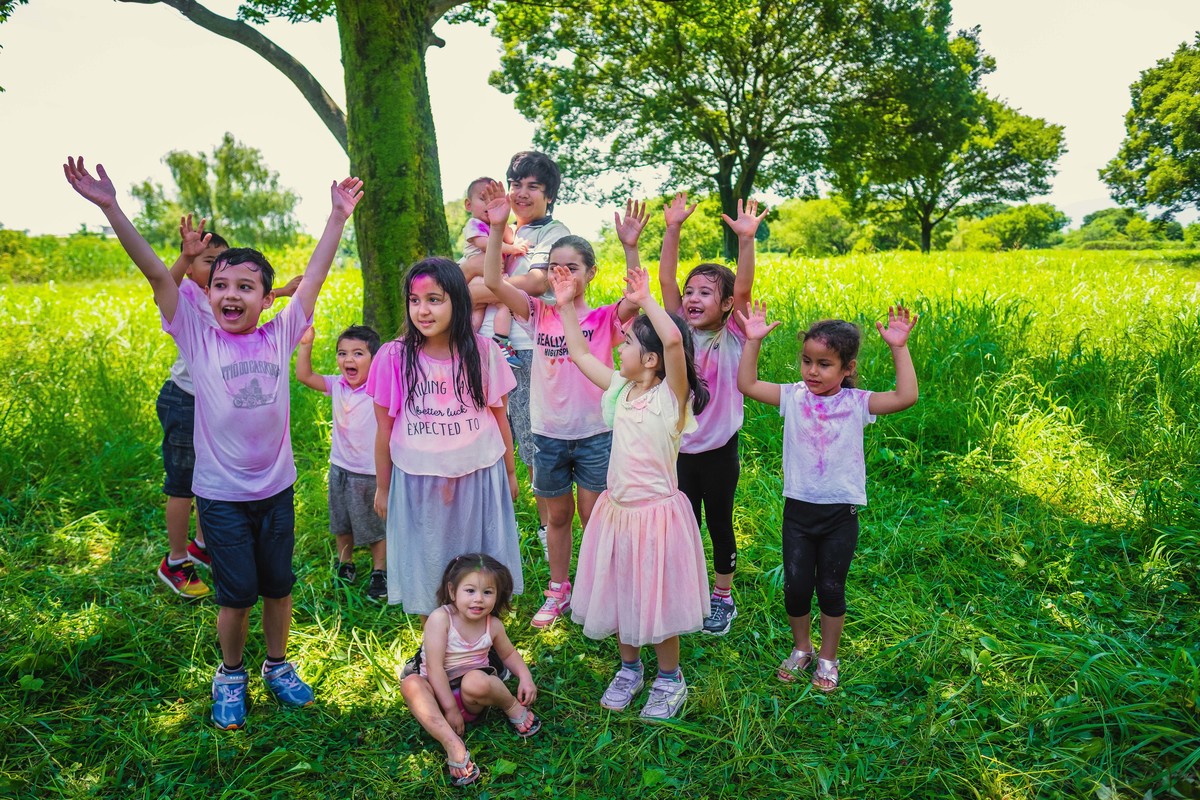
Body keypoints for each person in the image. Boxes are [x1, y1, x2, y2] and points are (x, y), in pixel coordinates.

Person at [64, 155, 363, 729]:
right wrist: (110, 207)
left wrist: (337, 218)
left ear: (267, 298)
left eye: (245, 286)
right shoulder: (197, 336)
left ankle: (277, 665)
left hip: (275, 490)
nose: (231, 293)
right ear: (208, 293)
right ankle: (231, 674)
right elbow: (158, 274)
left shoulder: (280, 335)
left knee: (278, 586)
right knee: (237, 593)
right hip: (221, 495)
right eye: (221, 284)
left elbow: (318, 273)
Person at [550, 248, 711, 721]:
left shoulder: (671, 399)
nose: (616, 349)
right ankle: (629, 668)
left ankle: (668, 678)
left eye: (625, 344)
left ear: (650, 359)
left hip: (656, 518)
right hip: (616, 512)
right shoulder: (621, 392)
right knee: (622, 589)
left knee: (657, 597)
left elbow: (677, 346)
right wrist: (563, 304)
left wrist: (648, 301)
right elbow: (579, 352)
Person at [736, 301, 920, 692]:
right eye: (807, 361)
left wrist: (899, 348)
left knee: (832, 588)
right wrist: (752, 341)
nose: (812, 371)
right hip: (798, 512)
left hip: (840, 513)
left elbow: (906, 397)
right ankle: (802, 649)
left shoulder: (857, 403)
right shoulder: (794, 396)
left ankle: (828, 657)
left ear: (847, 368)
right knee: (797, 586)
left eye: (824, 364)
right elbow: (747, 385)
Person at [481, 186, 641, 628]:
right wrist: (498, 229)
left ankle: (594, 588)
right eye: (554, 269)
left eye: (571, 268)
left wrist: (631, 248)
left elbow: (639, 295)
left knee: (592, 516)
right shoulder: (537, 312)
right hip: (548, 432)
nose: (562, 275)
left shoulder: (605, 317)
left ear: (590, 273)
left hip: (595, 433)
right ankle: (559, 590)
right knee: (556, 516)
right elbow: (494, 282)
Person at [367, 258, 523, 618]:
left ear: (458, 300)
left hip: (479, 475)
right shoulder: (393, 356)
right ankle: (434, 647)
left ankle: (481, 645)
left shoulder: (484, 352)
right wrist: (383, 487)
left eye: (434, 299)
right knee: (427, 562)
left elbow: (501, 417)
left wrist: (511, 474)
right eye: (414, 299)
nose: (423, 310)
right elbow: (384, 429)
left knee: (480, 564)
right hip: (418, 480)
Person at [156, 219, 301, 598]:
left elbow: (254, 292)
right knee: (184, 484)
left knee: (215, 480)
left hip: (221, 405)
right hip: (185, 397)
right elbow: (161, 287)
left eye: (221, 260)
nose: (218, 270)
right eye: (209, 262)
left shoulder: (229, 299)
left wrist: (282, 291)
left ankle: (204, 544)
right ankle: (175, 560)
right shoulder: (189, 294)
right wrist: (183, 257)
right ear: (193, 270)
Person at [657, 193, 768, 636]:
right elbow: (665, 282)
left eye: (706, 292)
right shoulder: (676, 331)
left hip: (720, 450)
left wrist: (746, 240)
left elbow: (742, 289)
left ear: (724, 306)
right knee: (683, 524)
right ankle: (688, 591)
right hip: (678, 450)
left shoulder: (734, 334)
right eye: (691, 292)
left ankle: (722, 596)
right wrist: (672, 229)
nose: (692, 298)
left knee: (719, 521)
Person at [466, 152, 571, 551]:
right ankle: (489, 535)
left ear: (549, 196)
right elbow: (459, 281)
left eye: (533, 186)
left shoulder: (552, 232)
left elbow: (536, 282)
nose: (522, 193)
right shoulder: (497, 229)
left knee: (533, 446)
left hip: (528, 350)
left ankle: (549, 536)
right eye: (517, 184)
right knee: (488, 440)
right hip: (482, 348)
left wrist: (476, 292)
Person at [400, 553, 540, 787]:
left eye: (487, 592)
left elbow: (508, 655)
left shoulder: (492, 625)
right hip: (437, 701)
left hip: (472, 697)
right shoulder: (440, 620)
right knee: (410, 684)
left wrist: (526, 677)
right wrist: (450, 709)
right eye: (470, 591)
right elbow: (434, 669)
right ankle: (452, 743)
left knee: (476, 680)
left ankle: (512, 707)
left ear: (498, 595)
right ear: (453, 591)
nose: (478, 599)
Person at [295, 324, 388, 601]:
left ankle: (380, 572)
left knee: (374, 526)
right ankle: (345, 564)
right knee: (341, 522)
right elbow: (304, 375)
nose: (348, 360)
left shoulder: (379, 391)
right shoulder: (337, 384)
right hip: (340, 468)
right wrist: (306, 345)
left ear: (375, 359)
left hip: (370, 473)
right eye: (342, 353)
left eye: (358, 353)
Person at [460, 176, 528, 366]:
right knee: (503, 302)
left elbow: (508, 236)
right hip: (479, 277)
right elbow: (486, 245)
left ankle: (476, 342)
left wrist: (502, 218)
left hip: (490, 276)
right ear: (468, 204)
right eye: (483, 199)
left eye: (492, 199)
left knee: (481, 313)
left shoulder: (493, 225)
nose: (488, 204)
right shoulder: (474, 225)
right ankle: (499, 341)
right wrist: (512, 249)